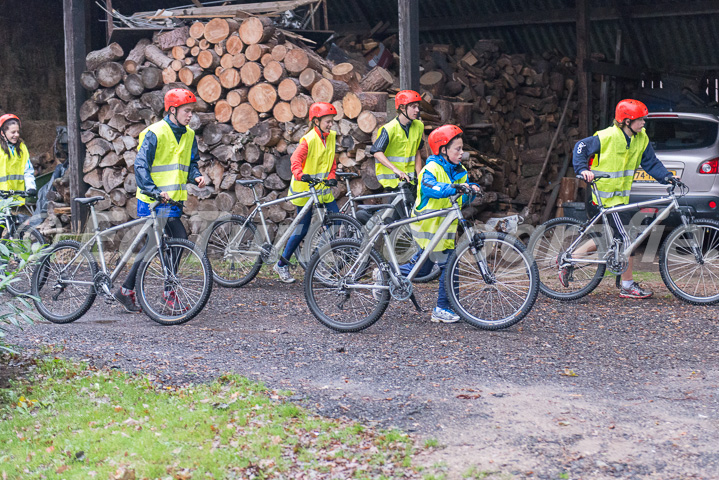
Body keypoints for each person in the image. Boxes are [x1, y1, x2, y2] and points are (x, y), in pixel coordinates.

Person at [569, 98, 673, 299]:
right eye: (640, 120)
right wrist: (582, 169)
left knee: (611, 239)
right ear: (627, 122)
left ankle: (570, 259)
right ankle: (627, 285)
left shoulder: (640, 138)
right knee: (628, 238)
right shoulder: (607, 136)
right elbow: (580, 147)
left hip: (620, 199)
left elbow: (651, 163)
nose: (644, 123)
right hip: (604, 199)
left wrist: (668, 177)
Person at [114, 88, 206, 313]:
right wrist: (153, 190)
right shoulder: (154, 133)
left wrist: (196, 175)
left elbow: (190, 163)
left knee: (157, 244)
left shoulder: (189, 135)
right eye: (186, 111)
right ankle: (168, 292)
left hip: (173, 199)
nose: (190, 115)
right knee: (177, 238)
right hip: (153, 199)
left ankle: (126, 291)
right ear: (173, 110)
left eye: (191, 111)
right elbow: (140, 166)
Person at [400, 125, 480, 323]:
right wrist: (453, 187)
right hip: (427, 228)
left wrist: (471, 190)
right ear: (443, 150)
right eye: (457, 149)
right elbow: (431, 188)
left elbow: (461, 198)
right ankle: (442, 308)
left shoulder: (459, 171)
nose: (462, 153)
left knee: (429, 268)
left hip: (444, 230)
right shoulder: (430, 169)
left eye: (462, 148)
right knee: (441, 267)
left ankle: (387, 275)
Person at [273, 102, 339, 283]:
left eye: (332, 121)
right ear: (316, 121)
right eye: (327, 121)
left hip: (323, 190)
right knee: (301, 230)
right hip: (305, 191)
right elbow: (295, 160)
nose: (331, 124)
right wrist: (300, 174)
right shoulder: (308, 139)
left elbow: (332, 161)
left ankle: (317, 256)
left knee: (337, 221)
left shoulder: (331, 137)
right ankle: (281, 264)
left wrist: (332, 175)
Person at [371, 90, 424, 190]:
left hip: (410, 182)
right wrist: (396, 170)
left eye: (418, 107)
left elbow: (417, 152)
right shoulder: (389, 129)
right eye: (413, 107)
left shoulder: (419, 126)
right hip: (392, 183)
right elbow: (377, 152)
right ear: (402, 108)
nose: (417, 110)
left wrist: (419, 175)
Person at [0, 114, 36, 206]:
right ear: (2, 133)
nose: (16, 135)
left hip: (16, 198)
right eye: (13, 132)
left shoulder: (22, 148)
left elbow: (28, 170)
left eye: (18, 132)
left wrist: (31, 187)